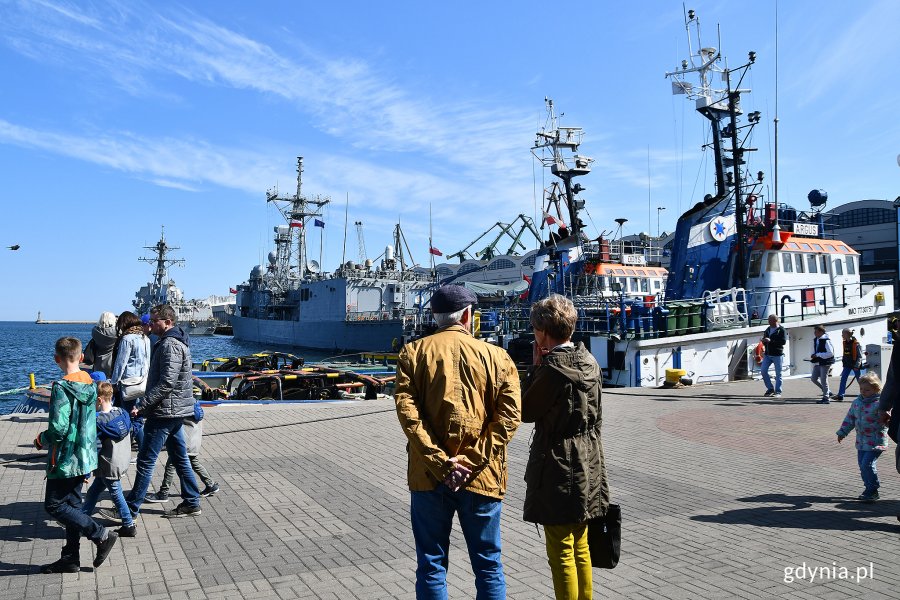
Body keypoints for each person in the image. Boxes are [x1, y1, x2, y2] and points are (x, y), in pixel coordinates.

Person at [395, 285, 521, 599]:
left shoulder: (412, 353)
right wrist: (473, 460)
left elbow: (408, 415)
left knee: (431, 564)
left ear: (435, 316)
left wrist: (440, 462)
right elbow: (508, 416)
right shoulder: (498, 356)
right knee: (489, 564)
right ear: (467, 314)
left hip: (428, 478)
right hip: (482, 477)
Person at [522, 295, 608, 600]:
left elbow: (526, 411)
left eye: (535, 329)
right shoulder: (590, 362)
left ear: (543, 332)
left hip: (558, 463)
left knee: (560, 550)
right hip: (589, 459)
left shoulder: (552, 369)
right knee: (581, 544)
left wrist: (535, 367)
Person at [34, 337, 118, 573]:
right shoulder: (91, 384)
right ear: (82, 358)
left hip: (64, 459)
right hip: (85, 456)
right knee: (71, 505)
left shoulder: (61, 388)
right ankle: (70, 558)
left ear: (56, 359)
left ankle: (100, 535)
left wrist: (42, 439)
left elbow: (59, 429)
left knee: (54, 505)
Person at [118, 304, 202, 520]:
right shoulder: (169, 342)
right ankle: (192, 501)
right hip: (174, 410)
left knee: (146, 460)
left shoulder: (170, 345)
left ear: (168, 322)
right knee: (180, 457)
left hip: (165, 411)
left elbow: (166, 383)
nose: (150, 324)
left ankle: (130, 509)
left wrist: (143, 405)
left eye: (154, 321)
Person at [81, 381, 136, 537]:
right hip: (120, 460)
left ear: (99, 400)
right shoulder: (122, 413)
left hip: (107, 463)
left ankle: (129, 524)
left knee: (116, 493)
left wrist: (86, 472)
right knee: (93, 491)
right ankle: (82, 518)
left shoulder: (98, 421)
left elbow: (95, 447)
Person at [146, 399, 220, 503]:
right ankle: (211, 484)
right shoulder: (194, 403)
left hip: (184, 441)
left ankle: (164, 492)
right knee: (194, 462)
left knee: (171, 465)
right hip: (193, 441)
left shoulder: (181, 403)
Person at [837, 372, 889, 501]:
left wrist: (886, 421)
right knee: (862, 465)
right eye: (861, 389)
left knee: (867, 464)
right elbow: (850, 419)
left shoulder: (880, 404)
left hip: (876, 441)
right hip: (861, 441)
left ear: (876, 389)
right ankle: (868, 488)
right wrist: (842, 432)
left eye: (867, 390)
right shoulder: (857, 402)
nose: (863, 392)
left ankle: (872, 490)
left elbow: (887, 420)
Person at [110, 311, 150, 449]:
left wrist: (113, 383)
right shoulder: (145, 338)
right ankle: (141, 446)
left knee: (128, 415)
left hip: (127, 384)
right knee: (137, 414)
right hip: (142, 383)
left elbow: (121, 364)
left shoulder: (127, 339)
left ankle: (137, 447)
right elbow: (147, 363)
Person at [759, 314, 787, 398]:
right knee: (763, 371)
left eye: (770, 320)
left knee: (779, 373)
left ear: (775, 321)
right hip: (768, 354)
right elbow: (765, 340)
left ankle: (778, 391)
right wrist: (764, 341)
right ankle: (770, 388)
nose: (768, 322)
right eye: (768, 320)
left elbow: (783, 342)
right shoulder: (767, 329)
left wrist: (771, 341)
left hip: (777, 354)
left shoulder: (781, 330)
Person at [83, 312, 118, 378]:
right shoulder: (116, 332)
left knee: (99, 383)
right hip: (112, 362)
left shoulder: (95, 331)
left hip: (98, 362)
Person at [834, 328, 863, 402]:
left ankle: (864, 394)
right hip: (847, 365)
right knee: (843, 379)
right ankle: (840, 395)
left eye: (843, 334)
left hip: (855, 365)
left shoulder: (856, 344)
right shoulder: (844, 343)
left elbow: (860, 356)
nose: (842, 335)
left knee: (860, 380)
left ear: (847, 334)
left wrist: (857, 365)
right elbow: (845, 354)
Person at [811, 325, 836, 404]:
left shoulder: (826, 340)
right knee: (813, 378)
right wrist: (813, 355)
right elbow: (815, 350)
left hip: (825, 363)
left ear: (821, 332)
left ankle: (826, 397)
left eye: (816, 331)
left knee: (823, 380)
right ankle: (827, 391)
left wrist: (818, 355)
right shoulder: (816, 340)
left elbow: (831, 353)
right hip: (818, 362)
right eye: (814, 331)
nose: (815, 333)